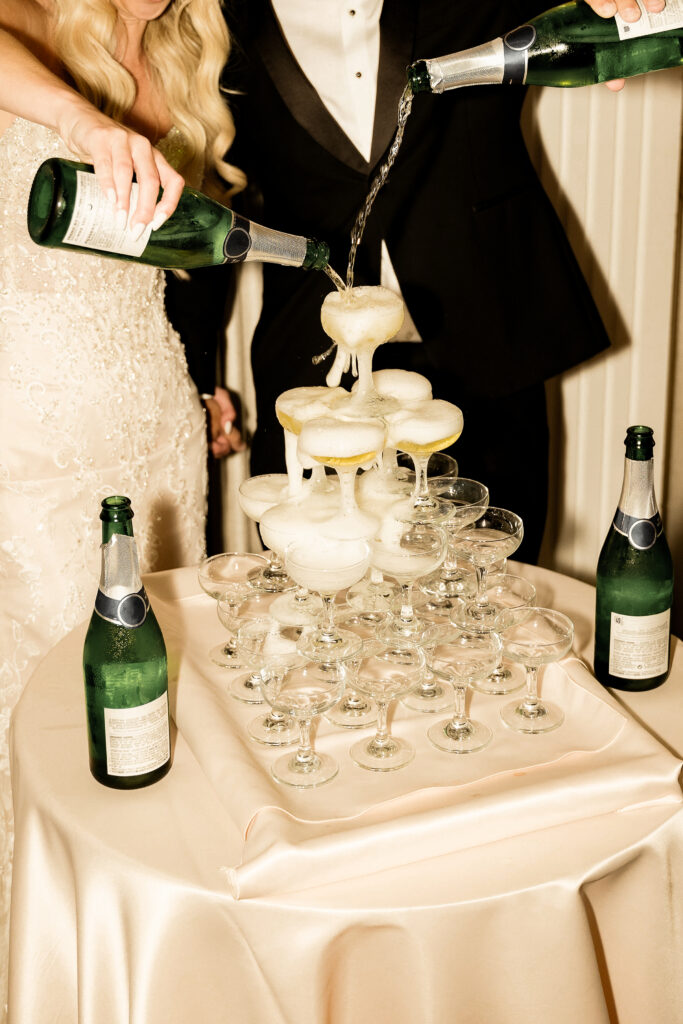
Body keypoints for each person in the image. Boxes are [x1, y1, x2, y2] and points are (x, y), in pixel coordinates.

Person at [194, 0, 665, 567]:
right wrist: (195, 375)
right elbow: (205, 200)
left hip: (484, 355)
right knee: (316, 604)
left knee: (490, 600)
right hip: (313, 372)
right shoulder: (213, 19)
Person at [0, 0, 243, 1014]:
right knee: (50, 735)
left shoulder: (185, 56)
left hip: (162, 453)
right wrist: (79, 119)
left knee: (158, 729)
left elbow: (143, 288)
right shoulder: (24, 20)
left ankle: (149, 979)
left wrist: (200, 388)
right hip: (34, 461)